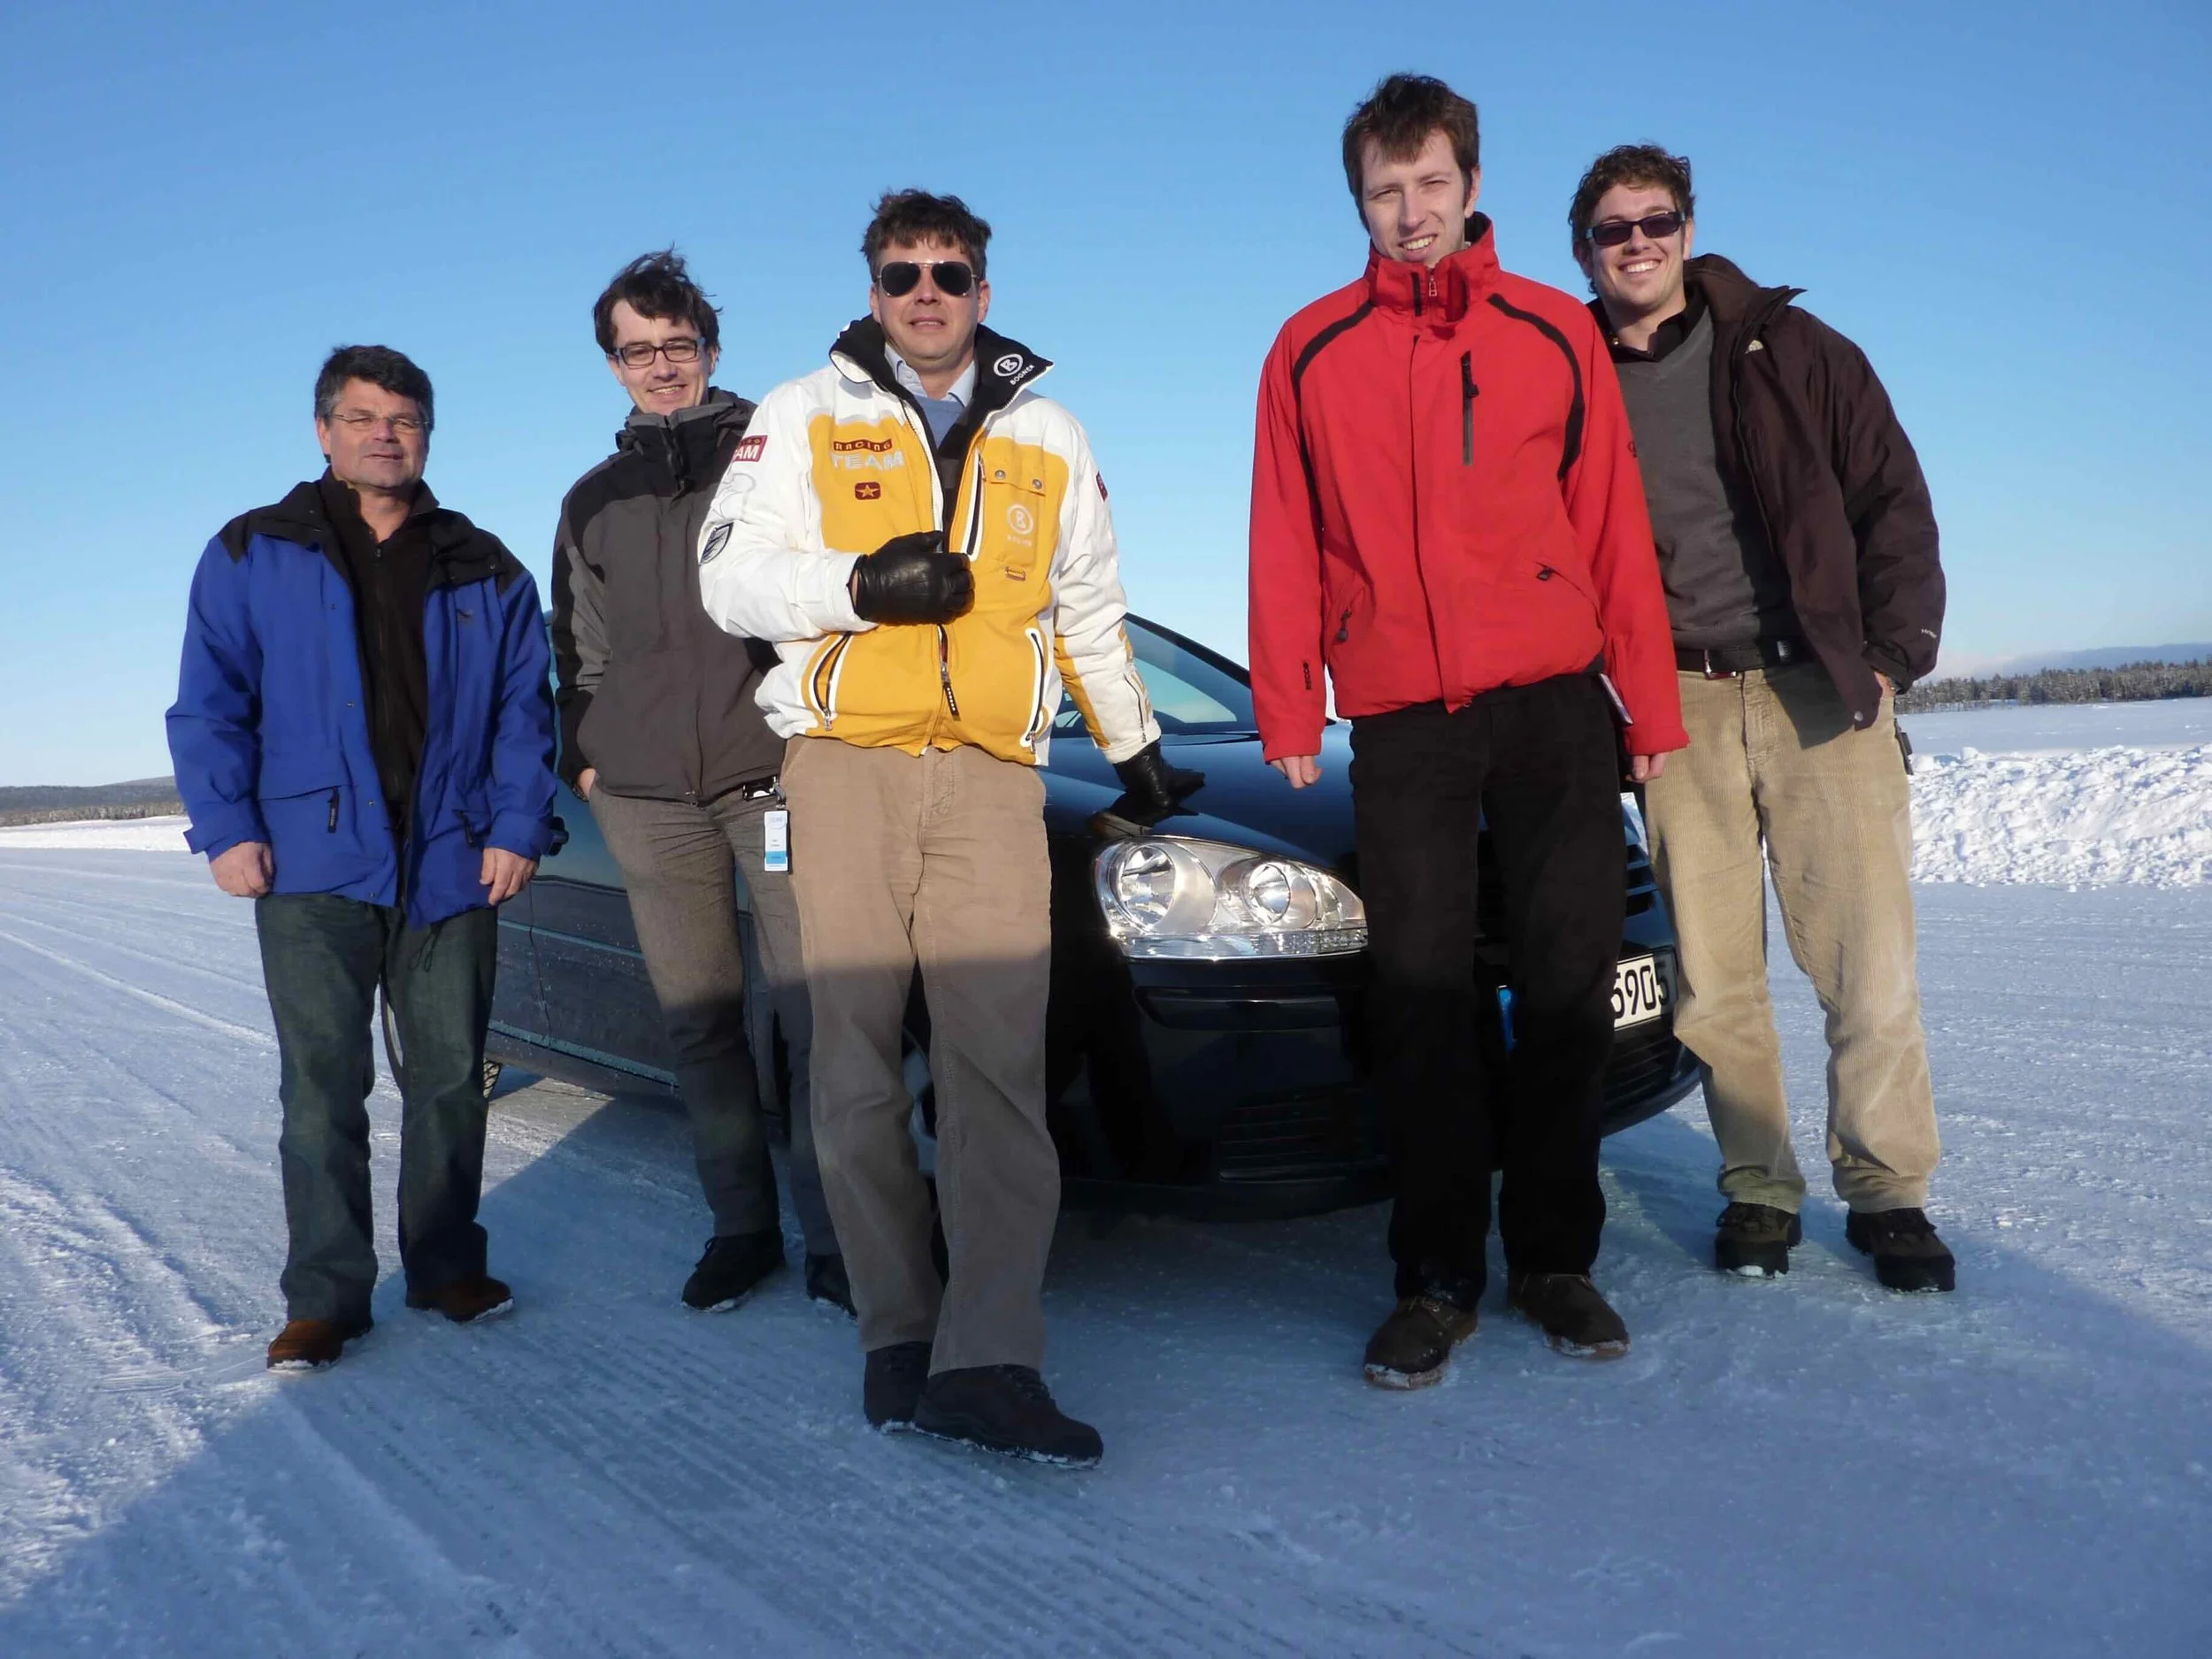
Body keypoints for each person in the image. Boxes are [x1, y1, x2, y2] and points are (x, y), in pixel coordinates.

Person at [697, 189, 1189, 1466]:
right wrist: (859, 585)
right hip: (844, 765)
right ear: (873, 291)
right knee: (854, 1064)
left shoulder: (1049, 431)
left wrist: (1133, 745)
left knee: (997, 1070)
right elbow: (729, 575)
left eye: (950, 272)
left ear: (983, 289)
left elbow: (1087, 605)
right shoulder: (802, 412)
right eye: (904, 273)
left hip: (988, 777)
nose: (928, 292)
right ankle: (896, 1333)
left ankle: (990, 1357)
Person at [1248, 75, 1686, 1387]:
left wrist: (1648, 702)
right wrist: (1288, 698)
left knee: (1564, 982)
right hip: (1403, 719)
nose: (1411, 211)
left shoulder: (1552, 331)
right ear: (1358, 203)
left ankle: (1554, 1258)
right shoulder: (1309, 349)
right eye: (1385, 191)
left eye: (1431, 183)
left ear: (1473, 184)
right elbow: (1285, 531)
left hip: (1552, 706)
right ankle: (1436, 1277)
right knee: (1423, 995)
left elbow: (1611, 524)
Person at [1570, 145, 1954, 1292]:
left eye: (1655, 221)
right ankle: (1758, 1187)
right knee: (1715, 977)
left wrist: (1887, 657)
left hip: (1818, 690)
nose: (1637, 243)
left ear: (1688, 231)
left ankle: (1886, 1190)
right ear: (1585, 250)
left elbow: (1891, 496)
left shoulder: (1792, 349)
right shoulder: (1569, 373)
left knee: (1865, 965)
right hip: (1674, 698)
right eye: (1612, 229)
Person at [167, 346, 557, 1371]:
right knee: (321, 1092)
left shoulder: (484, 564)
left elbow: (526, 714)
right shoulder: (255, 550)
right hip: (311, 864)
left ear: (427, 433)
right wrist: (227, 827)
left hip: (453, 861)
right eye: (362, 416)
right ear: (324, 431)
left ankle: (444, 1265)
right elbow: (210, 702)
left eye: (404, 418)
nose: (385, 434)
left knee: (449, 1081)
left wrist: (517, 827)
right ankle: (327, 1298)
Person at [552, 250, 848, 1317]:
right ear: (614, 365)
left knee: (817, 1015)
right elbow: (578, 652)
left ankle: (840, 1236)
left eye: (678, 344)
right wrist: (585, 757)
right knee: (701, 1020)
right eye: (638, 351)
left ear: (711, 349)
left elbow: (828, 598)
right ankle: (742, 1227)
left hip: (770, 780)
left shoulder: (777, 456)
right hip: (644, 799)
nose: (661, 366)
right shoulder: (592, 500)